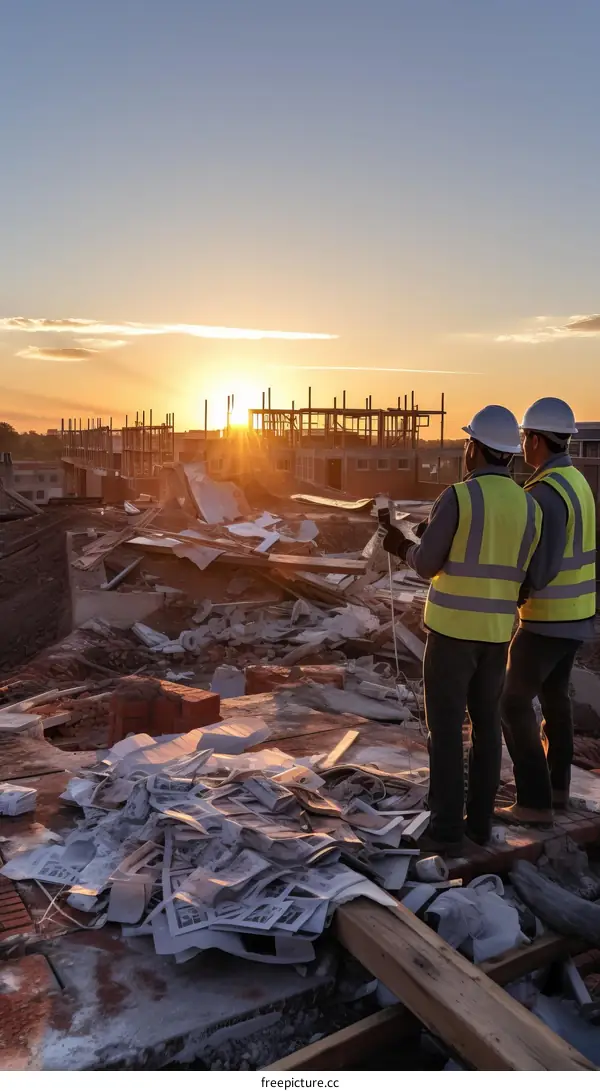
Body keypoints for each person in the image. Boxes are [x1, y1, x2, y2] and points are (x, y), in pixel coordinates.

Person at [383, 405, 543, 855]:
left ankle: (447, 829)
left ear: (474, 449)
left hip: (453, 632)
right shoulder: (530, 506)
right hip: (497, 634)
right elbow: (512, 566)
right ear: (509, 453)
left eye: (467, 443)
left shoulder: (459, 496)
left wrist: (401, 545)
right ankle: (478, 824)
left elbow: (428, 564)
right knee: (488, 728)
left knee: (448, 729)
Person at [497, 397, 596, 826]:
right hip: (577, 616)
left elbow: (543, 564)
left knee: (511, 701)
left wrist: (511, 593)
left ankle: (534, 802)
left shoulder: (545, 493)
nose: (521, 446)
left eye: (523, 437)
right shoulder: (577, 483)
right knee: (555, 699)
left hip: (548, 619)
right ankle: (557, 792)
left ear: (536, 439)